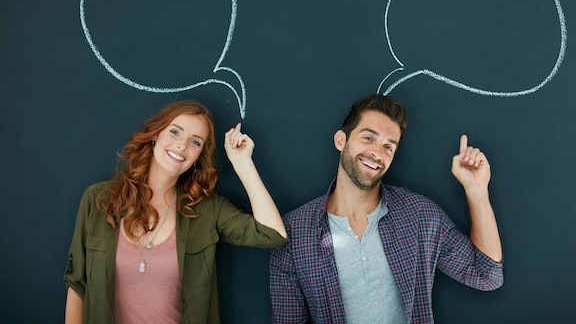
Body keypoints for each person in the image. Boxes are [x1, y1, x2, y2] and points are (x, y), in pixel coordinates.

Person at [269, 93, 503, 324]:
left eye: (388, 146)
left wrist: (477, 191)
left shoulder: (419, 215)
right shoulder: (295, 232)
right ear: (341, 140)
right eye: (368, 138)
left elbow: (487, 275)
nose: (378, 153)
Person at [64, 99, 287, 324]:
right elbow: (77, 285)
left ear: (199, 156)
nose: (182, 146)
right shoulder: (98, 200)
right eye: (175, 132)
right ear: (155, 135)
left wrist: (242, 163)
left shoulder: (207, 210)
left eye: (195, 142)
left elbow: (273, 234)